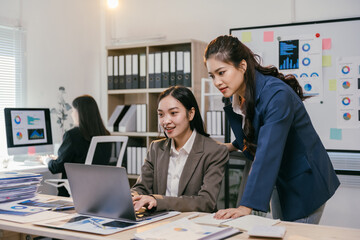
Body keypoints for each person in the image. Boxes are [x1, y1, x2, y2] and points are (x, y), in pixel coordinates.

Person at [204, 35, 340, 224]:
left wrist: (245, 207)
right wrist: (232, 146)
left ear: (242, 66)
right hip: (281, 177)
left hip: (305, 181)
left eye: (222, 72)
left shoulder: (276, 95)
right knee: (279, 230)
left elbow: (268, 149)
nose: (217, 82)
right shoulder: (239, 95)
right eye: (212, 76)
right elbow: (257, 128)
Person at [131, 86, 229, 213]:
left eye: (173, 113)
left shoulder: (214, 151)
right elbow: (141, 188)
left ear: (191, 114)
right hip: (158, 223)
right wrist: (131, 196)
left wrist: (158, 201)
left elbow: (206, 202)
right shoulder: (156, 148)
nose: (166, 121)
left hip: (194, 226)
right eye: (161, 115)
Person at [41, 95, 110, 197]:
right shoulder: (105, 135)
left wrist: (46, 160)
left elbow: (57, 167)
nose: (72, 114)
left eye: (73, 111)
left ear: (79, 113)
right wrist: (60, 158)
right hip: (97, 193)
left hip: (74, 193)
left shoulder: (72, 135)